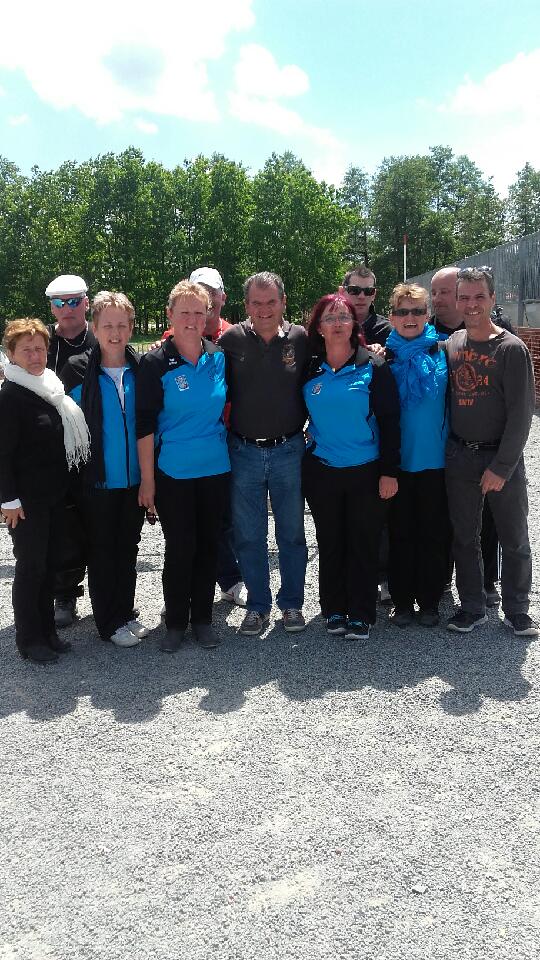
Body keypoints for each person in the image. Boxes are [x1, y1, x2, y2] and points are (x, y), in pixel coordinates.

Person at [443, 266, 537, 636]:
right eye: (463, 296)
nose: (471, 303)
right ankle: (472, 606)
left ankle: (517, 609)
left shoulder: (512, 350)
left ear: (493, 299)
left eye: (479, 296)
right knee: (464, 536)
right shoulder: (453, 343)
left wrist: (501, 466)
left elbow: (521, 415)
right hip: (460, 455)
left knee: (513, 536)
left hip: (500, 458)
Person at [136, 280, 230, 652]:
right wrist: (147, 481)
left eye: (198, 311)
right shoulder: (155, 363)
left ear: (208, 313)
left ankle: (203, 620)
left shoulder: (218, 356)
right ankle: (175, 621)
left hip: (215, 469)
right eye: (184, 312)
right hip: (173, 472)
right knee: (180, 548)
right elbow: (144, 426)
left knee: (209, 546)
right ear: (170, 315)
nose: (192, 319)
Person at [302, 292, 400, 641]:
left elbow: (390, 420)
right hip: (323, 470)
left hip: (367, 470)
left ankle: (361, 612)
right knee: (330, 542)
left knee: (363, 542)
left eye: (344, 317)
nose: (338, 323)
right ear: (319, 326)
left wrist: (390, 471)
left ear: (354, 325)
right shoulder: (308, 366)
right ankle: (334, 609)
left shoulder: (372, 365)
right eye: (330, 317)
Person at [220, 271, 309, 636]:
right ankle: (258, 606)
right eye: (256, 303)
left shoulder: (302, 339)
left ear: (283, 302)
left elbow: (339, 354)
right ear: (246, 306)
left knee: (291, 533)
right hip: (244, 451)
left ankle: (291, 605)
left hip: (289, 448)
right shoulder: (231, 340)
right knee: (249, 535)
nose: (264, 309)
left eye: (271, 301)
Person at [0, 319, 90, 663]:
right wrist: (7, 499)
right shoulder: (11, 396)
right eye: (27, 350)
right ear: (12, 354)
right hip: (25, 503)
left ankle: (48, 632)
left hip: (54, 497)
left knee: (51, 565)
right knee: (31, 568)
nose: (35, 355)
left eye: (40, 348)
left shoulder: (48, 387)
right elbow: (2, 454)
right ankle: (29, 638)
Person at [62, 292, 148, 648]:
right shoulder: (78, 370)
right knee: (102, 550)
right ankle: (108, 621)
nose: (115, 332)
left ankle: (125, 612)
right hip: (96, 480)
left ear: (130, 327)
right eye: (108, 325)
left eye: (122, 325)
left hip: (133, 478)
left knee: (128, 548)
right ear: (95, 327)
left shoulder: (141, 369)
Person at [161, 267, 246, 607]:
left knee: (220, 520)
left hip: (224, 440)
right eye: (198, 294)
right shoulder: (169, 342)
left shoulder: (236, 337)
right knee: (183, 529)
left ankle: (228, 579)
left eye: (211, 295)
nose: (205, 302)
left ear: (221, 299)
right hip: (182, 447)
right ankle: (182, 594)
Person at [430, 265, 505, 605]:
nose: (439, 299)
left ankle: (488, 582)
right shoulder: (428, 334)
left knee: (487, 517)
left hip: (487, 445)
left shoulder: (496, 334)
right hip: (444, 444)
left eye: (446, 292)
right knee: (448, 515)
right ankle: (445, 579)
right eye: (436, 292)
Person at [385, 283, 451, 627]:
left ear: (427, 315)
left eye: (417, 311)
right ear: (392, 316)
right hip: (397, 463)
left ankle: (429, 601)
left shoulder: (444, 352)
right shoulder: (383, 358)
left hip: (436, 461)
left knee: (432, 533)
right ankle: (402, 602)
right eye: (402, 311)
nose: (410, 318)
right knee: (400, 533)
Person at [45, 274, 97, 628]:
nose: (68, 309)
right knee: (63, 526)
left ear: (87, 303)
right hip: (55, 451)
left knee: (105, 524)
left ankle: (111, 596)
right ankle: (65, 593)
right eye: (60, 303)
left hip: (100, 447)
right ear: (51, 307)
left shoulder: (103, 337)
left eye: (74, 301)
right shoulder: (41, 344)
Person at [342, 265, 392, 348]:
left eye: (368, 291)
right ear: (343, 292)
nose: (361, 296)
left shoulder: (388, 332)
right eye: (354, 290)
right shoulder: (330, 327)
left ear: (374, 295)